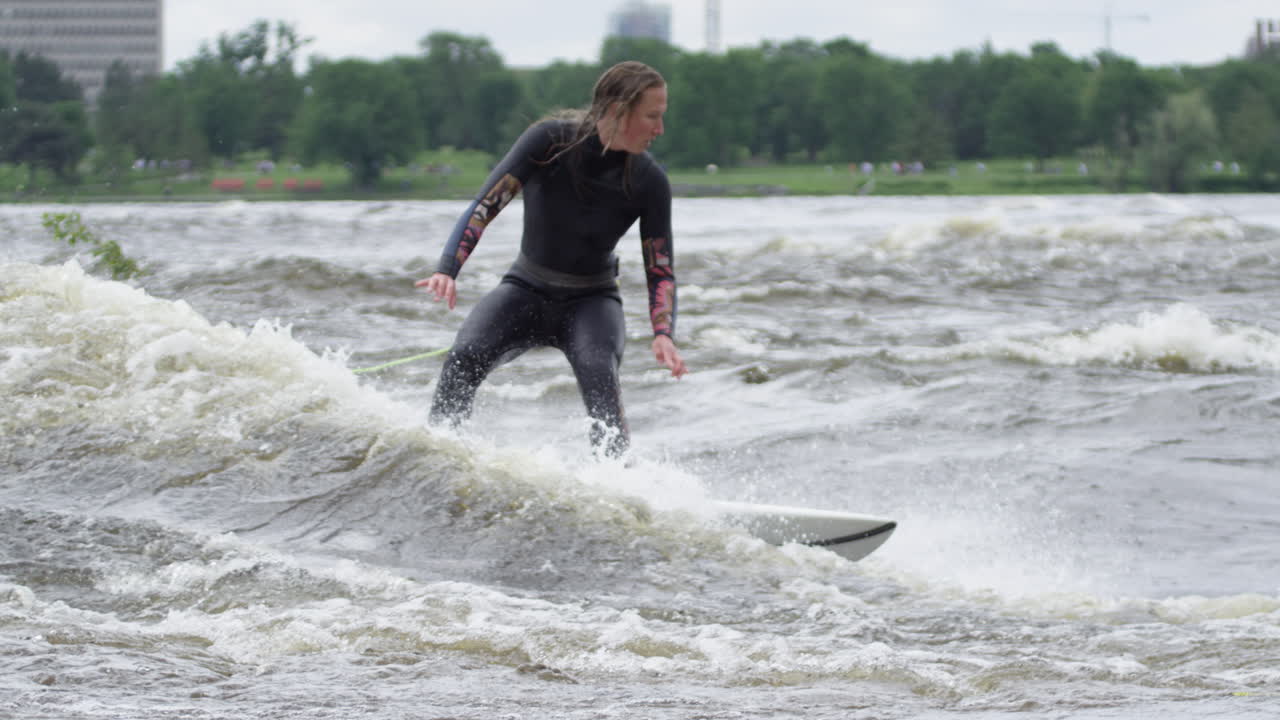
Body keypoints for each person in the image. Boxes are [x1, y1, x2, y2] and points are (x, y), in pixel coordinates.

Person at [416, 60, 687, 458]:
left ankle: (617, 488)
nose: (659, 130)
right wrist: (448, 269)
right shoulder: (549, 142)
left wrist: (663, 332)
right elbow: (487, 204)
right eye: (652, 116)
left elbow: (660, 269)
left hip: (591, 302)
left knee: (600, 377)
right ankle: (439, 456)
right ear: (617, 110)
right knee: (463, 358)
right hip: (525, 289)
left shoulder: (649, 181)